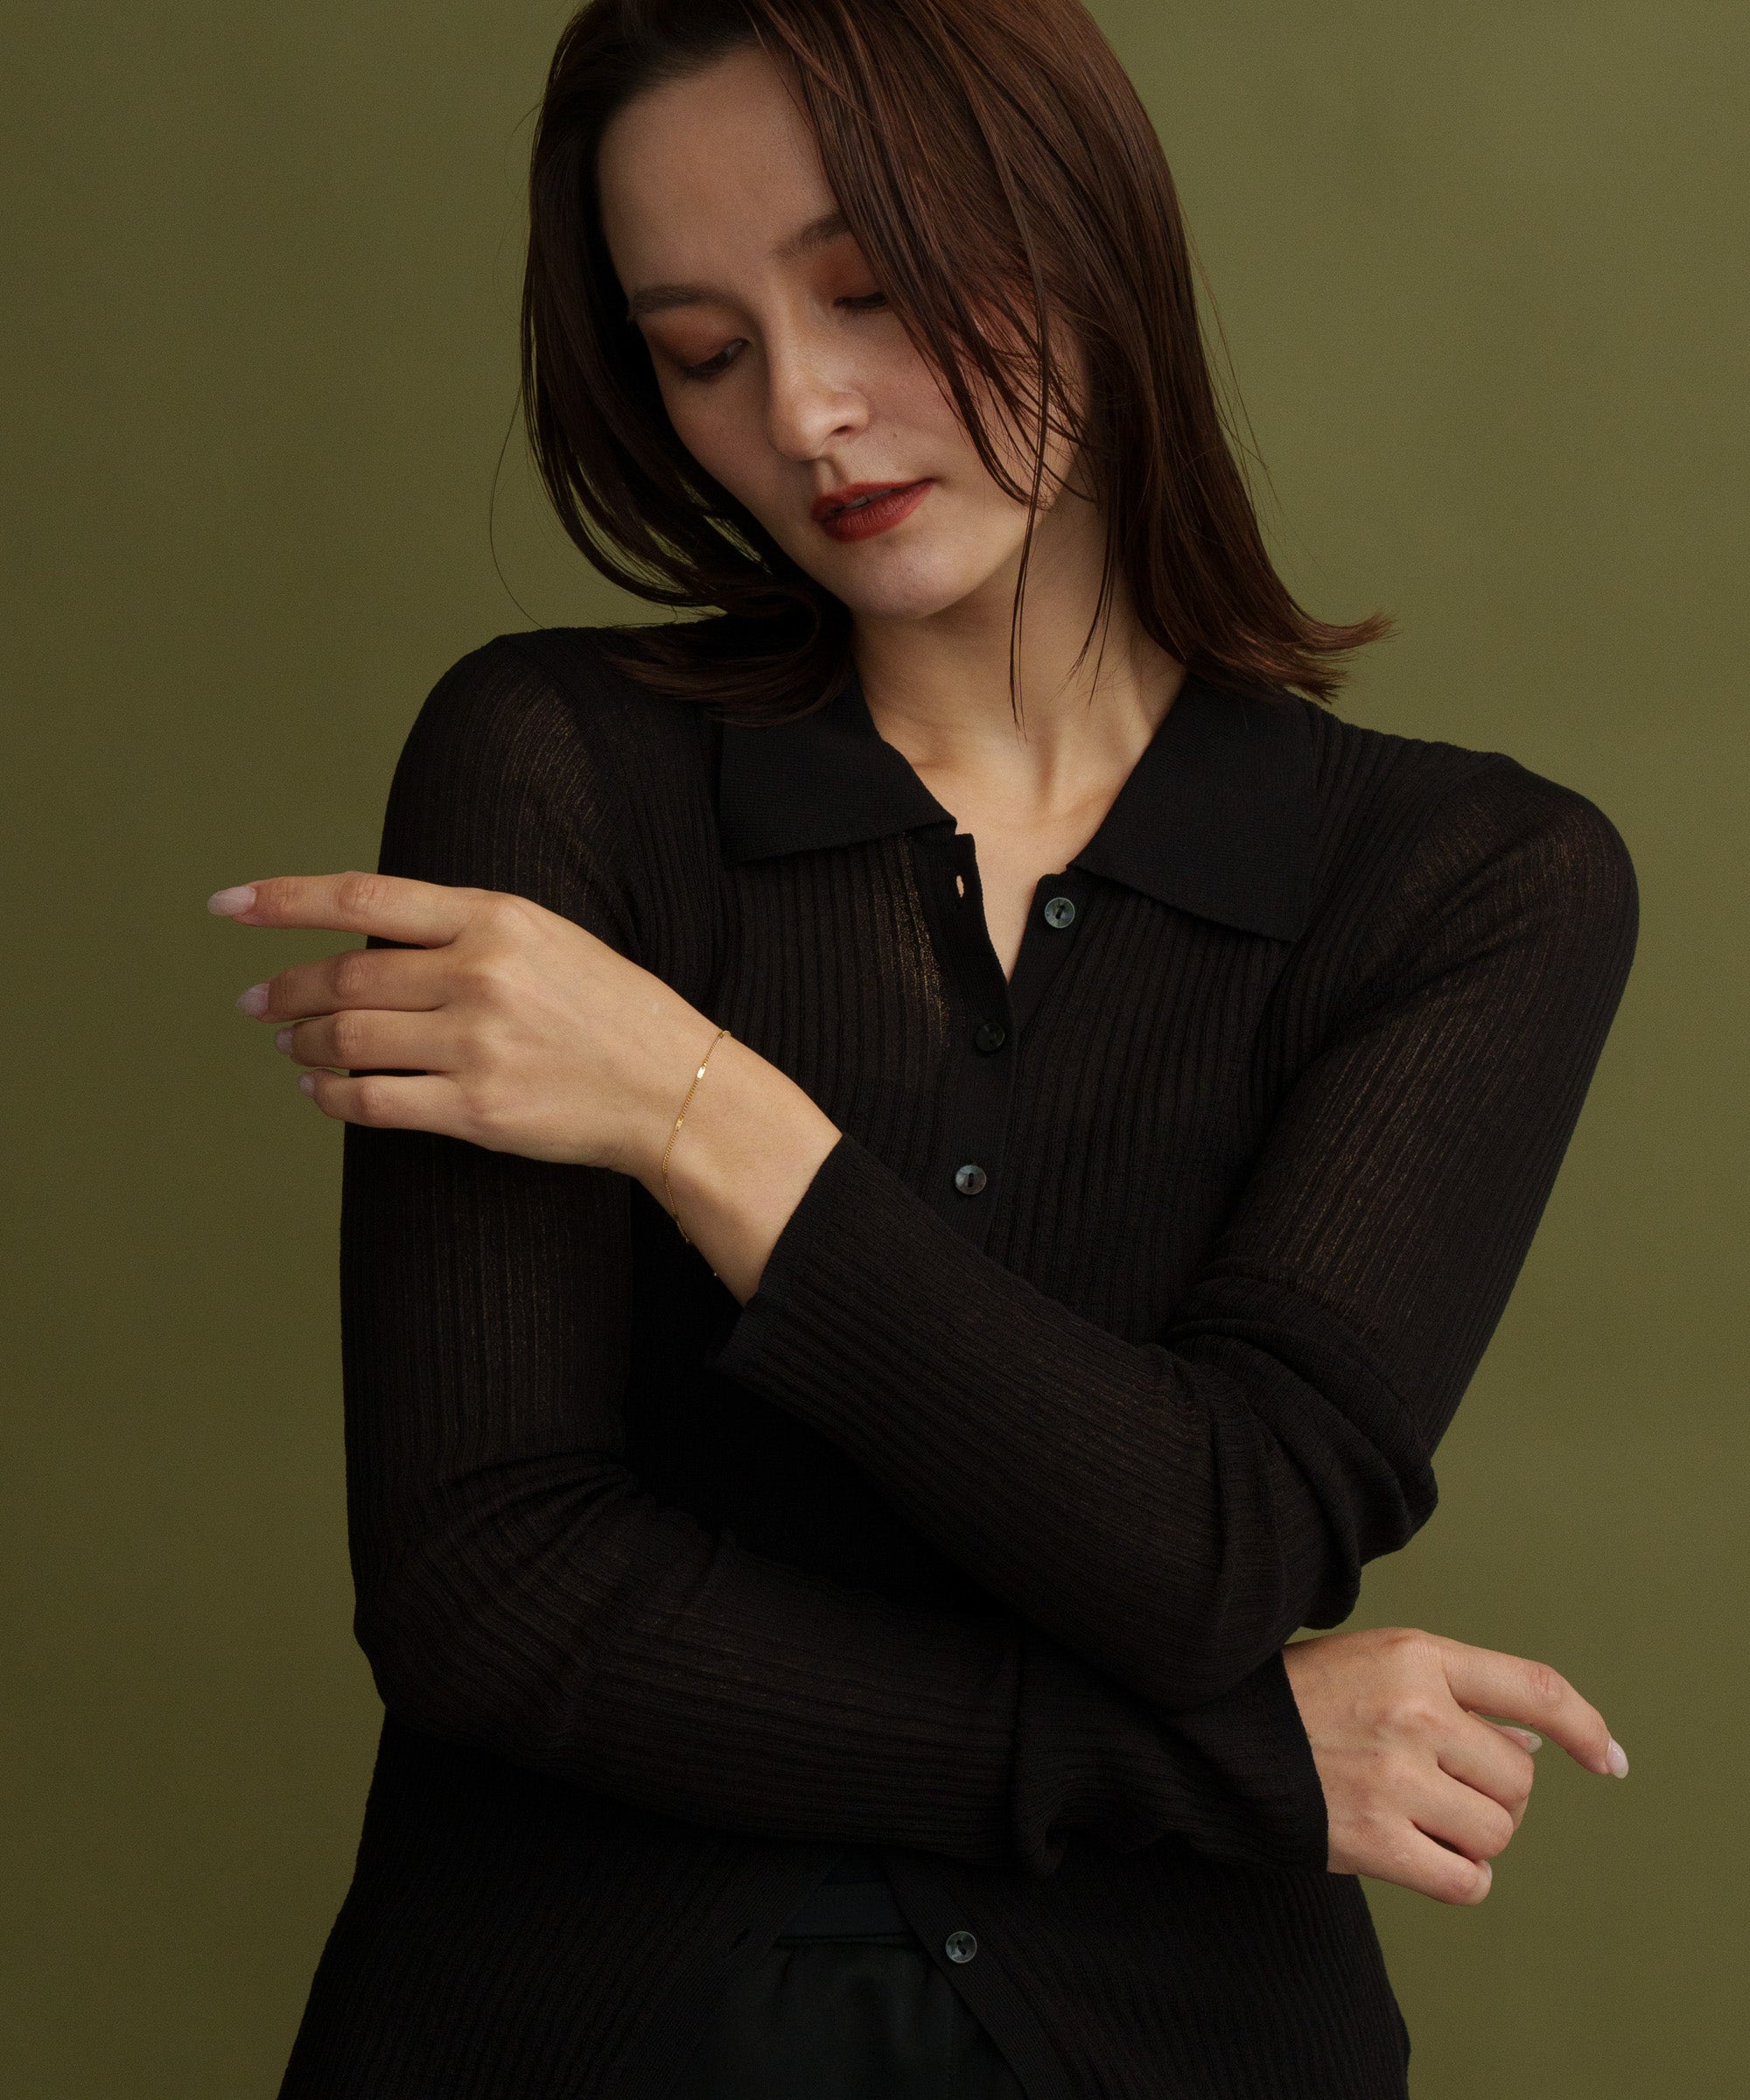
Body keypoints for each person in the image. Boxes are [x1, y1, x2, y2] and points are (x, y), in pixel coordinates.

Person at [226, 1, 1638, 2093]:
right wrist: (1226, 1760)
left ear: (1088, 232)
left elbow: (1213, 1546)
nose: (804, 414)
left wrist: (698, 1115)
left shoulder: (1465, 884)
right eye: (700, 351)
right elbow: (490, 1599)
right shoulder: (555, 766)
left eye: (873, 292)